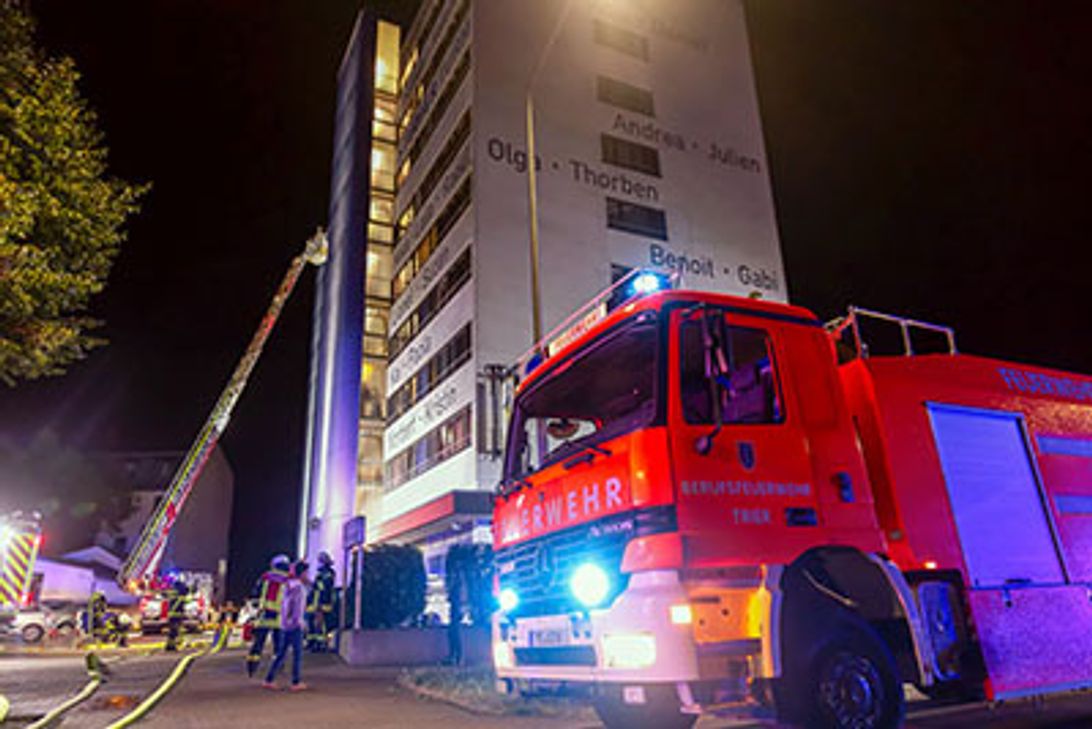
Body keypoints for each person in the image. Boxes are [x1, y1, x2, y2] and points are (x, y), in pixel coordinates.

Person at [264, 560, 309, 690]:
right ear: (302, 573)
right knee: (297, 654)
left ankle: (269, 679)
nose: (307, 575)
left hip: (285, 624)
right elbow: (297, 608)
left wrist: (286, 621)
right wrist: (298, 622)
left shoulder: (288, 585)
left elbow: (286, 606)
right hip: (294, 625)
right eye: (306, 572)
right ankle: (296, 682)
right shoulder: (299, 588)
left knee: (281, 654)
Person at [246, 554, 290, 677]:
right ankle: (278, 668)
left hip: (264, 614)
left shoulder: (265, 577)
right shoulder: (287, 579)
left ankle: (252, 667)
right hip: (279, 617)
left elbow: (256, 592)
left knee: (258, 644)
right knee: (278, 646)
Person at [305, 551, 336, 652]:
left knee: (321, 625)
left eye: (320, 560)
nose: (318, 562)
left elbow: (324, 588)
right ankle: (311, 643)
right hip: (315, 604)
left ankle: (321, 645)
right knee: (312, 624)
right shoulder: (321, 573)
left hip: (322, 604)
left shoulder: (328, 573)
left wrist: (311, 584)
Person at [164, 581, 188, 652]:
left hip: (172, 615)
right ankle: (173, 645)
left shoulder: (173, 594)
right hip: (176, 615)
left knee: (173, 631)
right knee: (175, 631)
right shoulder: (181, 596)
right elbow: (184, 602)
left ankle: (170, 645)